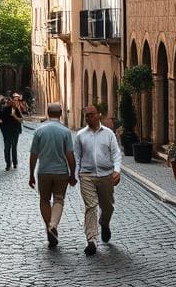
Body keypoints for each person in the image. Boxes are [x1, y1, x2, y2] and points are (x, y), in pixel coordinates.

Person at [73, 104, 122, 255]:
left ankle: (104, 223)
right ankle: (92, 240)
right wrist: (76, 175)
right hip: (87, 175)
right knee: (91, 206)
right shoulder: (81, 135)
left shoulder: (108, 134)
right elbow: (77, 157)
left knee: (108, 207)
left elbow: (116, 154)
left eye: (91, 115)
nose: (89, 118)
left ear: (98, 115)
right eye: (86, 115)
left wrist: (117, 170)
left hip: (106, 175)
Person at [28, 102, 77, 249]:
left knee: (44, 200)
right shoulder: (65, 132)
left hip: (44, 171)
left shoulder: (39, 131)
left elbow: (33, 154)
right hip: (61, 172)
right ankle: (53, 224)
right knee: (59, 199)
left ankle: (49, 227)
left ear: (48, 113)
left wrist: (31, 174)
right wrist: (72, 173)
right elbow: (70, 155)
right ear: (61, 113)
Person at [0, 93, 24, 170]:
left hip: (15, 132)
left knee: (13, 147)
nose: (8, 103)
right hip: (7, 133)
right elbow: (1, 122)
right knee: (7, 148)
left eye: (10, 101)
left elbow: (21, 120)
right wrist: (3, 132)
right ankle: (8, 164)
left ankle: (15, 163)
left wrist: (14, 116)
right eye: (7, 102)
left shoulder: (16, 110)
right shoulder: (4, 110)